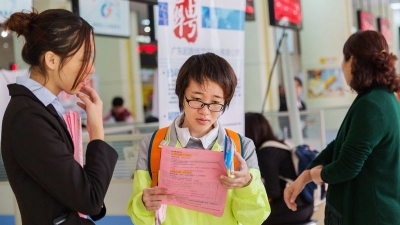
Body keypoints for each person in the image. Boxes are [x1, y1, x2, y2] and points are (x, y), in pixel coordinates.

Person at [1, 9, 118, 225]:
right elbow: (90, 198)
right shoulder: (28, 117)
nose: (91, 68)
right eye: (84, 57)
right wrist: (97, 133)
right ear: (52, 60)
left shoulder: (40, 108)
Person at [126, 53, 270, 224]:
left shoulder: (242, 146)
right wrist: (144, 204)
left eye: (215, 102)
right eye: (196, 99)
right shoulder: (153, 144)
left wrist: (247, 185)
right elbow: (138, 218)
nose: (205, 111)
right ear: (182, 95)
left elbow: (254, 219)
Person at [284, 30, 400, 225]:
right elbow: (342, 145)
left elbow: (347, 166)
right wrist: (305, 176)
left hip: (371, 214)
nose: (341, 66)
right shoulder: (382, 98)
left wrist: (314, 175)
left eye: (344, 59)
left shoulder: (372, 105)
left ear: (353, 60)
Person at [245, 112, 314, 225]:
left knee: (248, 218)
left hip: (291, 209)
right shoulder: (281, 144)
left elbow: (273, 191)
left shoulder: (266, 152)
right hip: (306, 205)